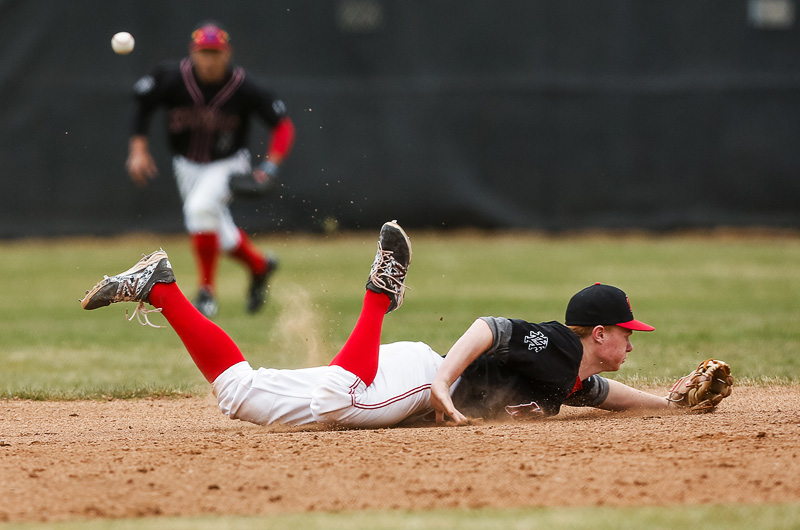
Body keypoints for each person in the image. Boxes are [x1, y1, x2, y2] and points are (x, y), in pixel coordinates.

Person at [80, 221, 678, 429]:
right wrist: (443, 382)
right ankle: (379, 293)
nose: (632, 338)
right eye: (627, 330)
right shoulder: (553, 345)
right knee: (334, 401)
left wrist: (673, 406)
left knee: (238, 394)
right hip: (420, 380)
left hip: (414, 380)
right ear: (597, 334)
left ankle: (159, 285)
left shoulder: (570, 376)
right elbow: (487, 327)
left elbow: (604, 396)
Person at [126, 21, 296, 318]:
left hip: (228, 163)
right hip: (186, 164)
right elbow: (143, 103)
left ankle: (206, 292)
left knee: (200, 210)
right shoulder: (172, 78)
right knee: (217, 228)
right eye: (204, 52)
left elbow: (283, 126)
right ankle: (259, 266)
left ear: (227, 54)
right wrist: (138, 150)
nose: (209, 58)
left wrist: (269, 166)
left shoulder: (244, 85)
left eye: (215, 52)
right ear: (192, 53)